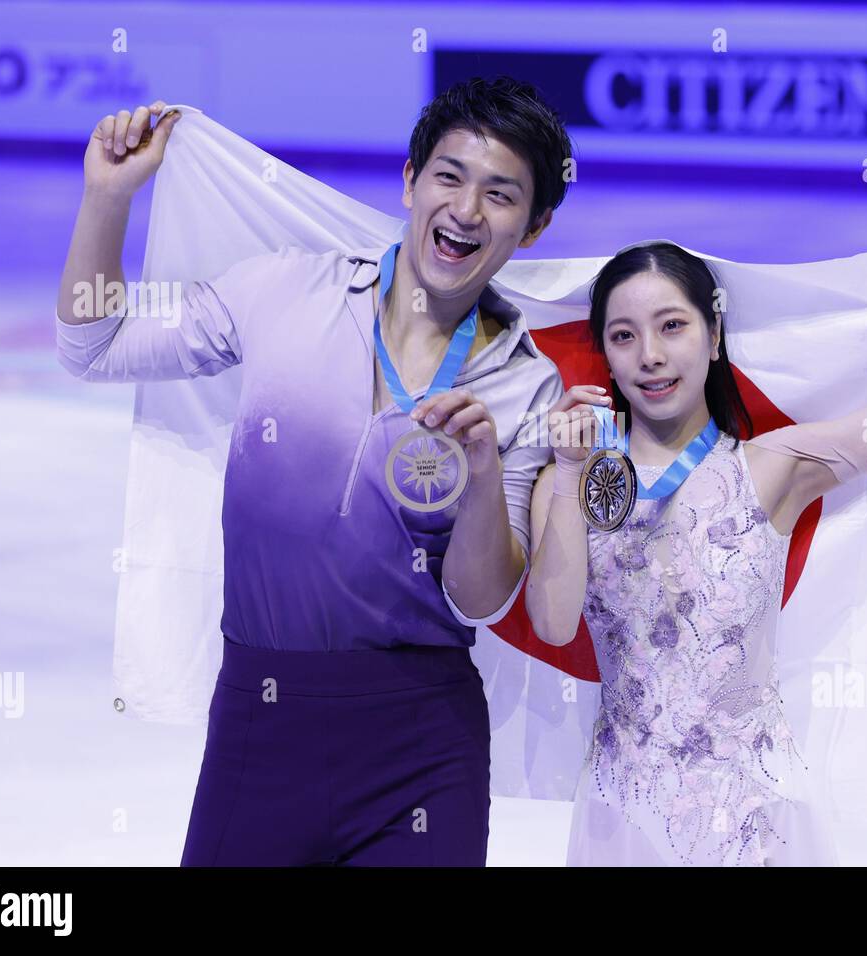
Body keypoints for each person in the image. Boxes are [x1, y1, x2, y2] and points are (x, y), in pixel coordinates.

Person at [55, 77, 572, 865]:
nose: (467, 211)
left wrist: (479, 476)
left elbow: (482, 599)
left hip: (421, 744)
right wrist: (107, 198)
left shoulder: (524, 384)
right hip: (259, 723)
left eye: (501, 196)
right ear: (409, 180)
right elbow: (94, 348)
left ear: (531, 228)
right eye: (450, 176)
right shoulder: (282, 289)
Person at [524, 191, 867, 865]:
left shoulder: (773, 469)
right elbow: (553, 623)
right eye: (624, 335)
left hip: (756, 818)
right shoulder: (576, 478)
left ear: (715, 334)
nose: (650, 355)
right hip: (622, 823)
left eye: (673, 326)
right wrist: (565, 472)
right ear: (605, 354)